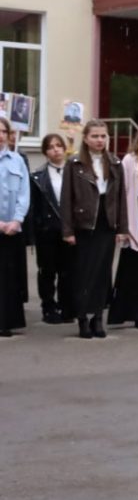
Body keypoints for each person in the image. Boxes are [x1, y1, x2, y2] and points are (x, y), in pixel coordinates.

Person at [61, 119, 127, 340]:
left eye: (103, 136)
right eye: (95, 136)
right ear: (86, 138)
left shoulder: (115, 162)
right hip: (84, 224)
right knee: (83, 273)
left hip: (106, 224)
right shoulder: (75, 163)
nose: (100, 140)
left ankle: (98, 317)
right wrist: (68, 230)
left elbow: (121, 199)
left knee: (102, 273)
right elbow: (66, 199)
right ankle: (82, 318)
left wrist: (122, 228)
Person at [108, 121, 138, 330]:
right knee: (136, 266)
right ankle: (137, 312)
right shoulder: (130, 160)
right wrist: (124, 225)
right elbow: (124, 190)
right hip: (136, 210)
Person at [30, 133, 75, 324]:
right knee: (47, 270)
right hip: (47, 230)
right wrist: (37, 230)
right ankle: (48, 307)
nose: (55, 149)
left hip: (69, 229)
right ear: (45, 152)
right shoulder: (37, 177)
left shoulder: (74, 172)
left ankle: (66, 306)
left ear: (65, 149)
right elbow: (35, 207)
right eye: (50, 147)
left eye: (59, 145)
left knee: (68, 270)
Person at [0, 117, 30, 337]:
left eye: (3, 131)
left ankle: (6, 321)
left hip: (12, 228)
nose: (0, 135)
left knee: (8, 277)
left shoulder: (17, 160)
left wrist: (17, 219)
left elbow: (23, 193)